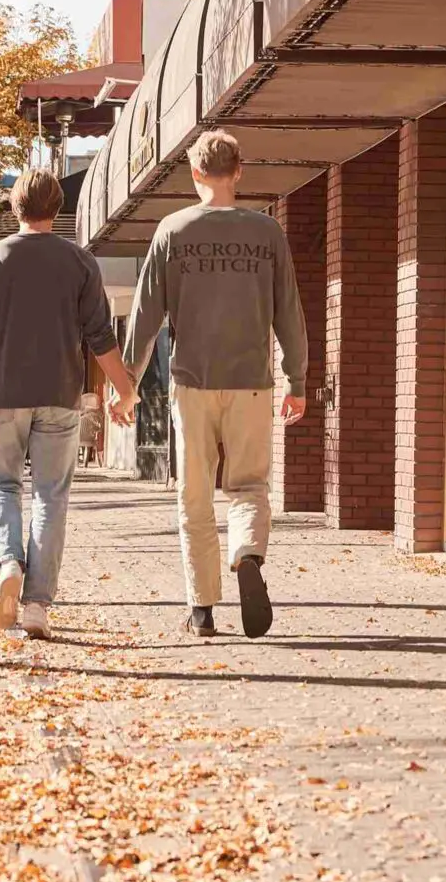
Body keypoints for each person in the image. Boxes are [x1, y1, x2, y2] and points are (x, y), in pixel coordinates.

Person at [122, 130, 308, 639]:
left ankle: (202, 607)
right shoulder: (266, 232)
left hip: (193, 383)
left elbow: (145, 316)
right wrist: (298, 379)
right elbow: (288, 311)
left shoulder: (172, 230)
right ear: (239, 171)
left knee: (195, 495)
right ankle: (247, 553)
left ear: (196, 174)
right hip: (252, 381)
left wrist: (127, 384)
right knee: (249, 486)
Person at [0, 167, 138, 638]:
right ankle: (38, 605)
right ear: (56, 210)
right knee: (50, 496)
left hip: (2, 397)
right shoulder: (80, 263)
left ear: (15, 209)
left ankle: (8, 564)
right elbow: (101, 337)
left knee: (2, 486)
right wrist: (124, 389)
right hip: (60, 396)